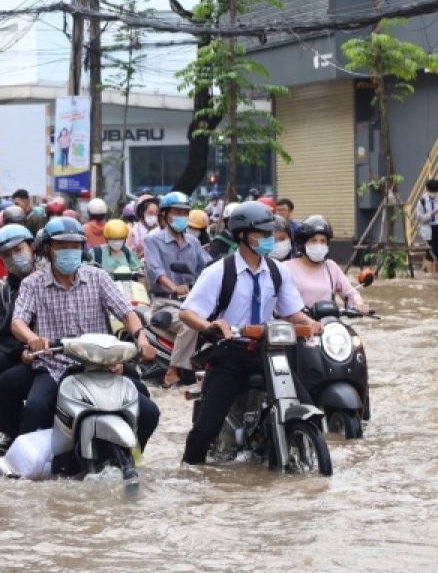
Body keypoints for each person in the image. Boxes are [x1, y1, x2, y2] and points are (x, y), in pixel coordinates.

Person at [178, 201, 322, 465]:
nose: (269, 240)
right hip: (230, 352)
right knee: (206, 428)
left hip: (268, 352)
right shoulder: (219, 271)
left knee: (305, 405)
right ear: (242, 236)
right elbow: (187, 313)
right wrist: (211, 326)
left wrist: (309, 322)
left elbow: (292, 312)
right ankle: (190, 470)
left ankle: (299, 446)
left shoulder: (278, 271)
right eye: (263, 234)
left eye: (271, 234)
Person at [0, 217, 159, 450]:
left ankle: (132, 452)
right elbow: (18, 323)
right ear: (48, 249)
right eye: (62, 247)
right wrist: (33, 339)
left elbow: (127, 313)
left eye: (74, 246)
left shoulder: (98, 277)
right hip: (54, 367)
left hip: (102, 366)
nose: (69, 252)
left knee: (149, 412)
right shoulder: (32, 284)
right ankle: (32, 468)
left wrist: (142, 340)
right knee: (35, 409)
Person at [144, 192, 211, 387]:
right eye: (176, 212)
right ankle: (173, 371)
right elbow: (156, 270)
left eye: (185, 212)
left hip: (193, 301)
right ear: (164, 214)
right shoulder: (153, 239)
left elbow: (208, 268)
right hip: (165, 302)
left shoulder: (194, 242)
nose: (181, 216)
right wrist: (174, 288)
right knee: (190, 323)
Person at [0, 224, 36, 456]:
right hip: (19, 351)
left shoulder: (49, 279)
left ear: (32, 247)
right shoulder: (6, 292)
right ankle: (9, 431)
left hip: (54, 348)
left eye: (19, 250)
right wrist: (20, 349)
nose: (14, 258)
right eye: (7, 256)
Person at [287, 215, 369, 312]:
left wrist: (359, 303)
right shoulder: (286, 268)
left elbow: (349, 292)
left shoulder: (331, 267)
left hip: (328, 322)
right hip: (298, 324)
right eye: (313, 241)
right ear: (302, 244)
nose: (318, 245)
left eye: (323, 241)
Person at [415, 178, 438, 274]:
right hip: (429, 228)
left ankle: (437, 274)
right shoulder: (422, 201)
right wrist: (430, 214)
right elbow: (419, 218)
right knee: (430, 253)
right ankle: (430, 274)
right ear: (427, 190)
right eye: (431, 191)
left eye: (435, 191)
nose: (433, 194)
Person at [129, 193, 159, 258]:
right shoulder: (134, 232)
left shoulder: (159, 230)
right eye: (150, 213)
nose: (153, 216)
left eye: (155, 214)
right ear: (141, 212)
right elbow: (129, 255)